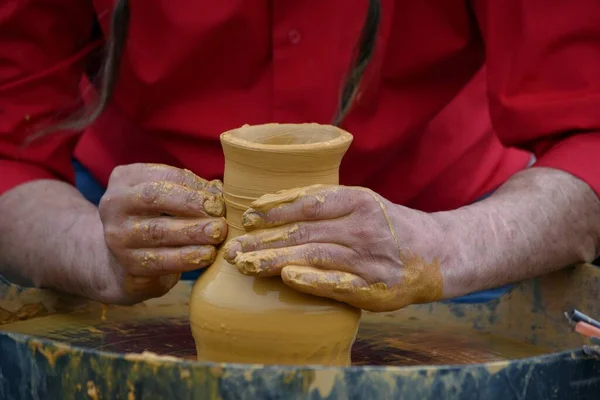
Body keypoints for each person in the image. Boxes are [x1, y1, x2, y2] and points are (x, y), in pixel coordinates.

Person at [0, 0, 598, 311]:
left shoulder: (445, 240)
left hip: (445, 218)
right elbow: (11, 143)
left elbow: (589, 138)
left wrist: (446, 250)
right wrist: (90, 252)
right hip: (131, 220)